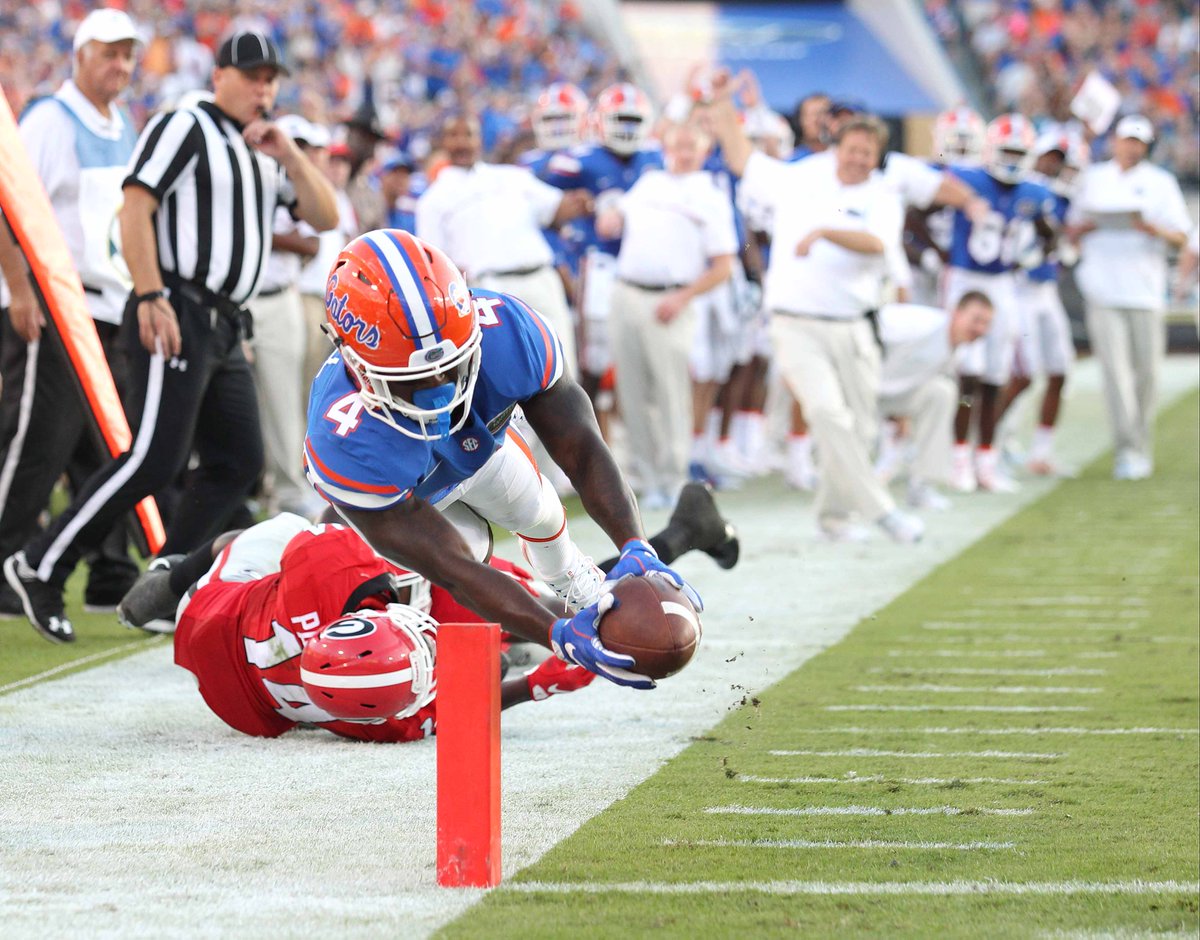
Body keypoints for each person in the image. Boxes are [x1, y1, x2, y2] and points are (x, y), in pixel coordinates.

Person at [4, 30, 339, 643]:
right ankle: (40, 564)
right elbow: (137, 204)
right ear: (220, 76)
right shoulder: (186, 124)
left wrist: (291, 154)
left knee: (239, 461)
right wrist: (152, 293)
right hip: (179, 305)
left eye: (271, 79)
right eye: (252, 76)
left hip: (226, 321)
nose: (263, 88)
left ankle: (167, 584)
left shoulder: (263, 148)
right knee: (154, 458)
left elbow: (325, 216)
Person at [304, 229, 702, 689]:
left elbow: (581, 446)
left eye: (452, 367)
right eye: (415, 380)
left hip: (478, 451)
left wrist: (635, 542)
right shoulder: (344, 439)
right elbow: (455, 570)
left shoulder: (508, 331)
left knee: (539, 510)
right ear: (352, 360)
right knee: (457, 561)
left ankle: (574, 578)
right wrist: (555, 634)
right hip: (409, 495)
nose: (440, 392)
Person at [122, 515, 598, 742]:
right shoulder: (381, 712)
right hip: (236, 695)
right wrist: (533, 685)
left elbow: (337, 515)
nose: (429, 635)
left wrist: (534, 686)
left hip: (216, 613)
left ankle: (173, 581)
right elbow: (463, 703)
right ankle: (173, 577)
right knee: (479, 637)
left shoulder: (329, 573)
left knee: (272, 532)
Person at [708, 76, 922, 544]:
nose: (858, 158)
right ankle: (884, 511)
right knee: (826, 413)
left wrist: (824, 232)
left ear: (877, 156)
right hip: (796, 321)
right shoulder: (801, 176)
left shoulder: (882, 195)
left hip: (854, 324)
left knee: (859, 428)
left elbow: (878, 243)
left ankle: (834, 518)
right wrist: (722, 102)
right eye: (853, 148)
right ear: (836, 146)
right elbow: (742, 158)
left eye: (867, 152)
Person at [0, 8, 143, 619]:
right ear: (80, 55)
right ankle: (4, 557)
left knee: (107, 446)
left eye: (127, 54)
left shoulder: (121, 122)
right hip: (56, 300)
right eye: (109, 52)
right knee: (38, 438)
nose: (120, 65)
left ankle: (109, 567)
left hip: (106, 303)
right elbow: (7, 199)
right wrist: (20, 288)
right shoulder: (51, 120)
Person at [598, 121, 737, 509]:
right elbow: (615, 218)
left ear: (704, 151)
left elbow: (724, 265)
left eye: (692, 146)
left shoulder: (710, 195)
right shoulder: (650, 183)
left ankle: (675, 478)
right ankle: (648, 479)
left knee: (672, 392)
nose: (684, 153)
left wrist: (683, 297)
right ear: (666, 149)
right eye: (678, 145)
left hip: (671, 301)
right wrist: (610, 217)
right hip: (627, 292)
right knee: (631, 390)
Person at [415, 112, 591, 377]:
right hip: (489, 288)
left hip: (540, 277)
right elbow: (433, 264)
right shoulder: (432, 199)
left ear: (480, 139)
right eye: (454, 135)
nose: (462, 142)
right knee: (509, 375)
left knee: (563, 367)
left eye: (469, 134)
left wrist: (580, 201)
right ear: (443, 142)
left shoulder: (510, 176)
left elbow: (556, 208)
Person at [1068, 115, 1191, 481]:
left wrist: (1151, 229)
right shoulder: (1093, 179)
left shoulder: (1160, 183)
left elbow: (1182, 237)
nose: (1132, 147)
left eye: (1139, 142)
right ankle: (1128, 450)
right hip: (1102, 287)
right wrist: (1088, 227)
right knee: (1115, 374)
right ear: (1115, 141)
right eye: (1127, 140)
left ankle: (1140, 445)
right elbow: (1071, 228)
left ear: (1146, 146)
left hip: (1145, 289)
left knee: (1147, 375)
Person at [942, 113, 1056, 493]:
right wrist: (934, 253)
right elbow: (923, 205)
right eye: (1006, 151)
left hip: (1003, 284)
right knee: (966, 373)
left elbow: (1048, 234)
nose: (1011, 159)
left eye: (1018, 153)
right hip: (965, 278)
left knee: (995, 374)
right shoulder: (967, 178)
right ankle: (959, 458)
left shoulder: (1034, 192)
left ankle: (986, 461)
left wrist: (1032, 257)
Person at [538, 83, 664, 405]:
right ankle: (590, 414)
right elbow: (540, 199)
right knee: (593, 356)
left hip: (643, 267)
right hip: (599, 264)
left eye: (633, 120)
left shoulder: (656, 158)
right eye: (620, 119)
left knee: (639, 352)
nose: (626, 128)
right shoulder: (579, 160)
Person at [997, 132, 1088, 477]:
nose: (1054, 166)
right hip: (1017, 289)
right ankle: (988, 445)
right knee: (1020, 375)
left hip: (1045, 290)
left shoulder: (1063, 198)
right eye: (1049, 158)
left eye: (1060, 162)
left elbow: (1062, 243)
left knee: (1059, 369)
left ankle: (1040, 452)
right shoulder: (1022, 190)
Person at [877, 292, 996, 510]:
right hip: (857, 388)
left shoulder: (957, 352)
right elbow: (871, 327)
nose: (980, 329)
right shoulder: (921, 322)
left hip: (886, 397)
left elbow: (916, 378)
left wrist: (901, 416)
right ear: (956, 312)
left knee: (943, 392)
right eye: (976, 319)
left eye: (986, 324)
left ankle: (923, 486)